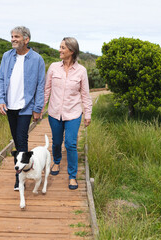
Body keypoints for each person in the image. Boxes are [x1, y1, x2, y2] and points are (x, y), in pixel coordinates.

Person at [0, 26, 45, 191]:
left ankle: (20, 178)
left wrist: (38, 108)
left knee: (22, 139)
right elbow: (1, 79)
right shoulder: (6, 56)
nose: (13, 39)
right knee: (17, 140)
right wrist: (0, 100)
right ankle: (25, 169)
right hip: (10, 106)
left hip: (25, 107)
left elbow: (40, 86)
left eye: (16, 36)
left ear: (26, 39)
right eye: (11, 36)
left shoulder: (37, 59)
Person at [41, 37, 92, 190]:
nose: (59, 50)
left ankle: (72, 176)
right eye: (60, 47)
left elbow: (85, 94)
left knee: (70, 143)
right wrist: (40, 108)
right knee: (56, 142)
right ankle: (56, 161)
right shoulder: (53, 67)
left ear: (71, 51)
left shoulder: (81, 71)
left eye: (63, 48)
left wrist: (87, 114)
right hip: (55, 112)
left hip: (74, 113)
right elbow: (47, 89)